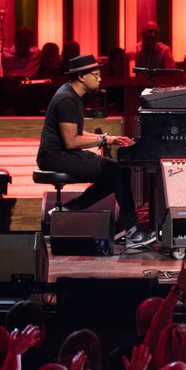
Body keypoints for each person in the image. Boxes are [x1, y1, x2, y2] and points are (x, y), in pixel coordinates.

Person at [36, 54, 155, 247]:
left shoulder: (71, 94)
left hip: (61, 154)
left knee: (116, 173)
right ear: (82, 76)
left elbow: (76, 132)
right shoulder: (67, 99)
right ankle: (133, 231)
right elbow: (71, 140)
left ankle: (71, 209)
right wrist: (101, 140)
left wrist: (109, 139)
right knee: (117, 172)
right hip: (54, 157)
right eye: (96, 74)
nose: (100, 79)